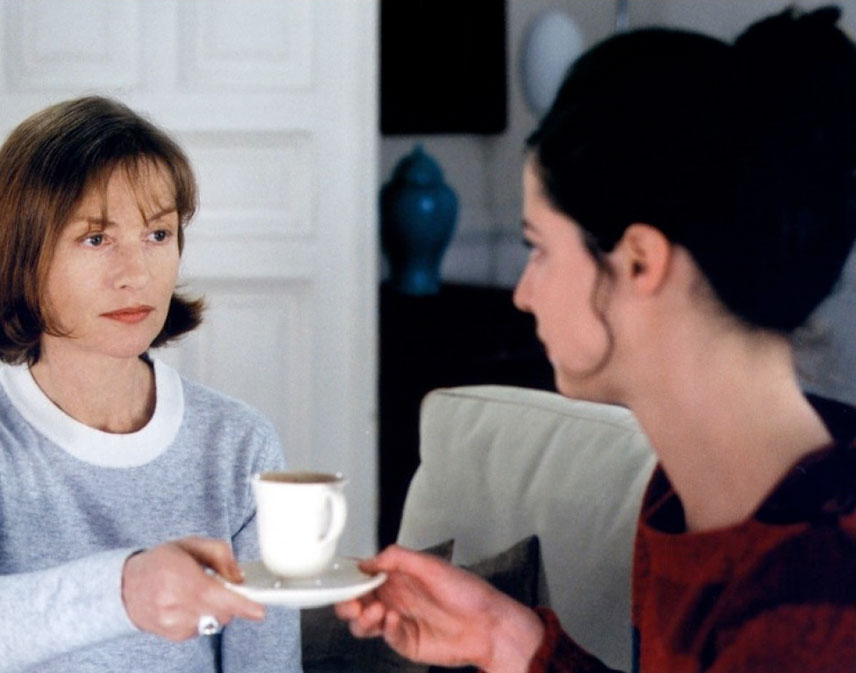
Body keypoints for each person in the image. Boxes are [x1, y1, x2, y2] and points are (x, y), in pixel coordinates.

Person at [337, 7, 856, 673]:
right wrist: (511, 639)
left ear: (639, 261)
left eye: (539, 248)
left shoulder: (814, 609)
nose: (524, 292)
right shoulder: (680, 496)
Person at [0, 96, 301, 673]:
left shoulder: (240, 445)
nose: (136, 274)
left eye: (158, 235)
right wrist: (126, 589)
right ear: (22, 259)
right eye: (95, 239)